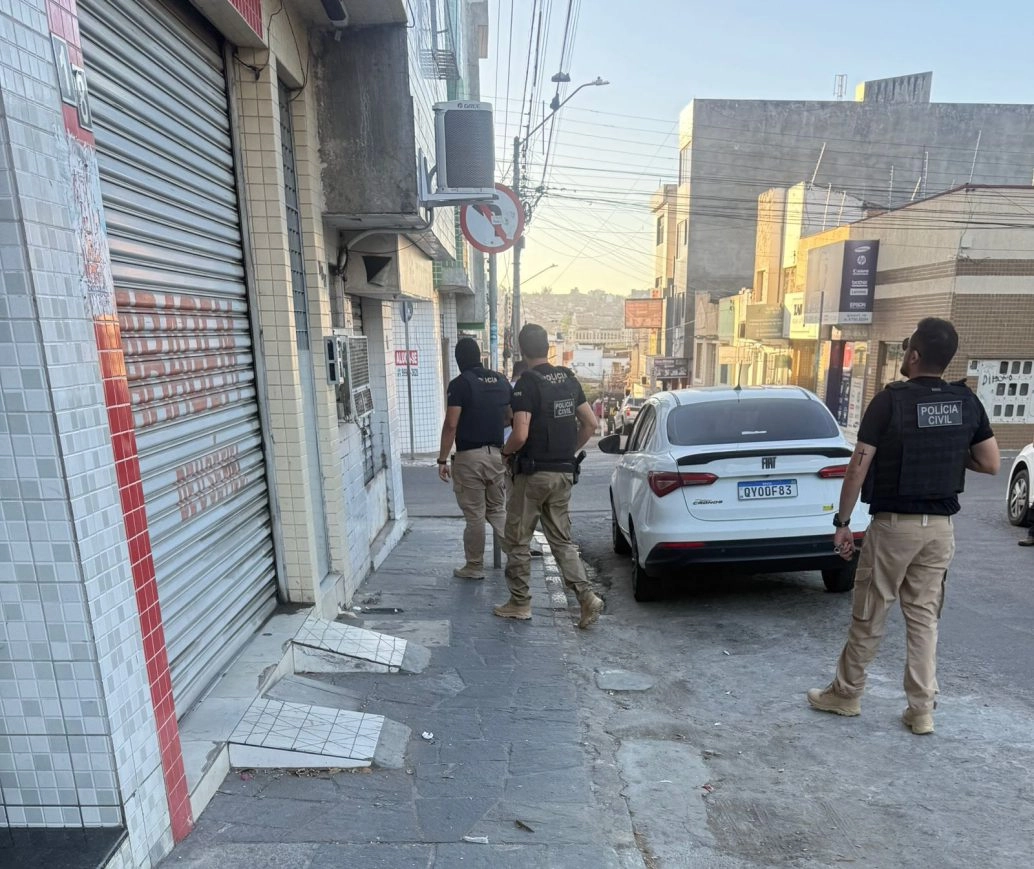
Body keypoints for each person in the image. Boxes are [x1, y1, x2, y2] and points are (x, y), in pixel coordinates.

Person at [807, 318, 1000, 735]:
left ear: (913, 355)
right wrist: (952, 449)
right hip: (940, 530)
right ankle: (921, 710)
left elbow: (858, 468)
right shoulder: (966, 403)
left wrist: (842, 523)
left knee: (870, 613)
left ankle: (847, 694)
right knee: (924, 619)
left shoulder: (889, 401)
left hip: (894, 528)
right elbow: (990, 463)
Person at [495, 324, 605, 629]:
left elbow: (520, 434)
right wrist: (567, 452)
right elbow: (590, 423)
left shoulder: (526, 385)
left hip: (532, 475)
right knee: (561, 540)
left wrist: (505, 453)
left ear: (522, 351)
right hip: (563, 473)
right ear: (547, 348)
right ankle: (586, 597)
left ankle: (519, 603)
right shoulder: (568, 379)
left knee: (518, 539)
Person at [437, 338, 512, 580]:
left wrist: (442, 460)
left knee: (475, 515)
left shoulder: (460, 385)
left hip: (470, 458)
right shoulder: (500, 380)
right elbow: (510, 416)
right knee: (497, 509)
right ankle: (518, 556)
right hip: (497, 455)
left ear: (459, 360)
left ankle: (474, 566)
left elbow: (451, 424)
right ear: (479, 356)